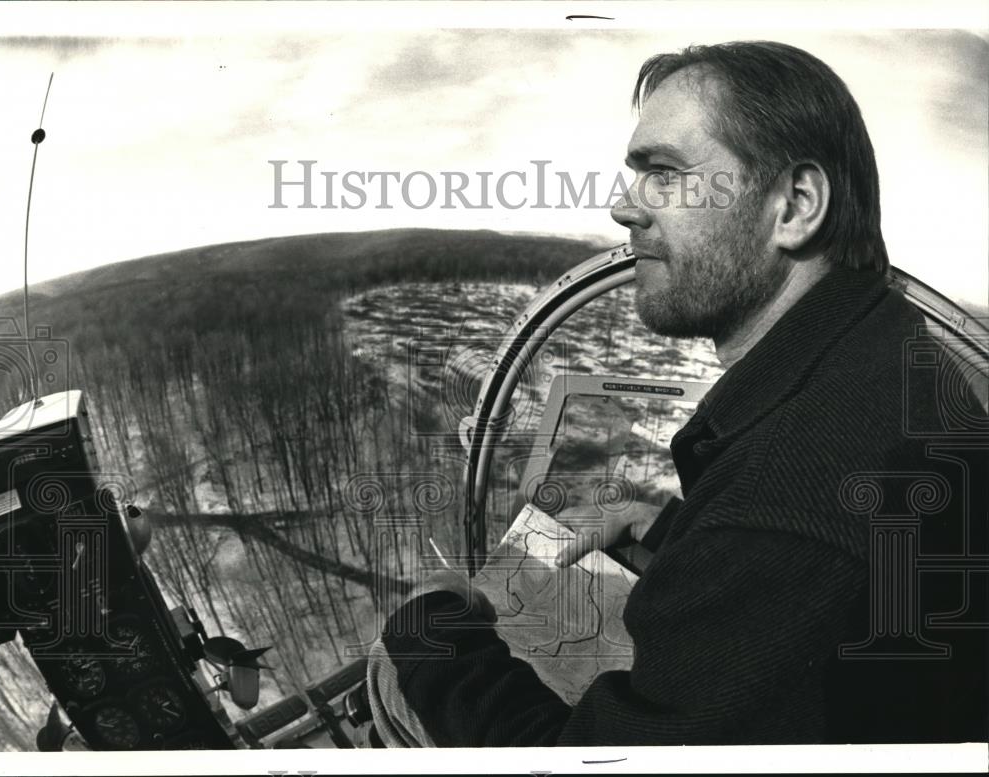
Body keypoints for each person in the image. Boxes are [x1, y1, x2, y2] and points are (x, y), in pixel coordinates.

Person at [365, 41, 988, 746]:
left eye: (663, 172)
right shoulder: (888, 353)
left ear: (796, 206)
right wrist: (675, 538)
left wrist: (430, 635)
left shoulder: (785, 506)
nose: (622, 208)